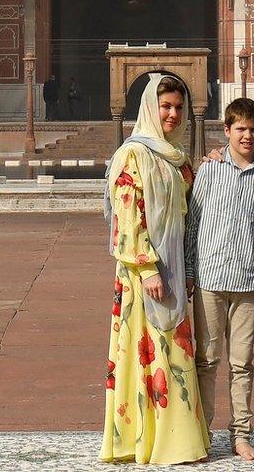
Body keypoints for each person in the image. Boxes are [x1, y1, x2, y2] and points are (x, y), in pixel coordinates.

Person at [100, 74, 209, 465]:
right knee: (148, 352)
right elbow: (128, 214)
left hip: (175, 269)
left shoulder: (176, 157)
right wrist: (147, 268)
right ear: (150, 108)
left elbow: (191, 211)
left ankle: (176, 439)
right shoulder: (133, 154)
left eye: (178, 107)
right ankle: (148, 441)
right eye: (165, 106)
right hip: (142, 272)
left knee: (175, 352)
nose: (173, 113)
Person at [185, 98, 254, 461]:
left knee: (242, 364)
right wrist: (191, 272)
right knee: (207, 360)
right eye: (240, 128)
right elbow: (193, 224)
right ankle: (203, 431)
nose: (247, 135)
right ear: (226, 131)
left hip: (246, 282)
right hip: (210, 278)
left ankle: (241, 434)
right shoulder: (208, 170)